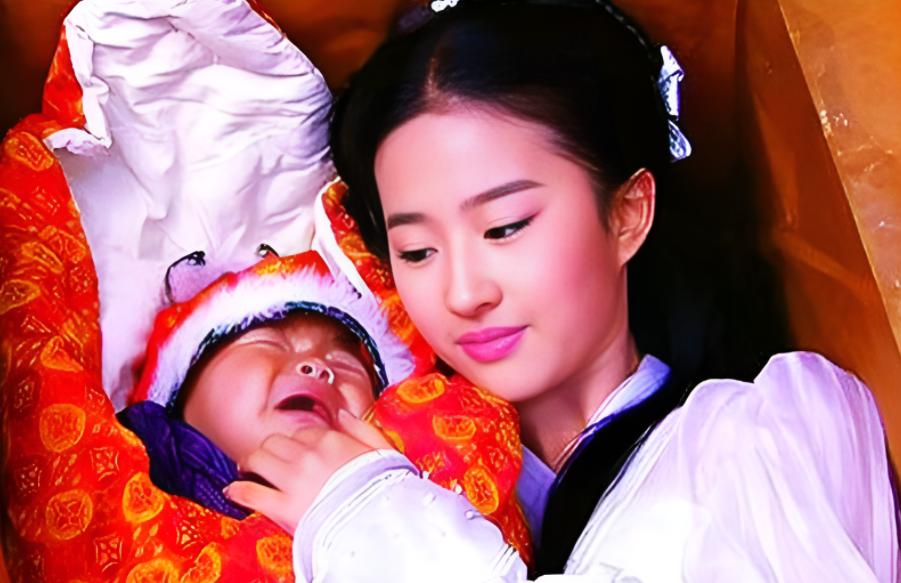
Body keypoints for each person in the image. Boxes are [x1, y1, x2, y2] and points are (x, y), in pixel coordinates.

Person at [225, 1, 901, 581]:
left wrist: (372, 522)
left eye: (505, 226)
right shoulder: (368, 461)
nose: (463, 292)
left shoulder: (762, 433)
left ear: (627, 213)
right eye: (418, 251)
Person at [117, 249, 532, 562]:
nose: (317, 367)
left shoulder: (441, 484)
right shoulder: (118, 495)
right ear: (179, 393)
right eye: (267, 344)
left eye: (346, 362)